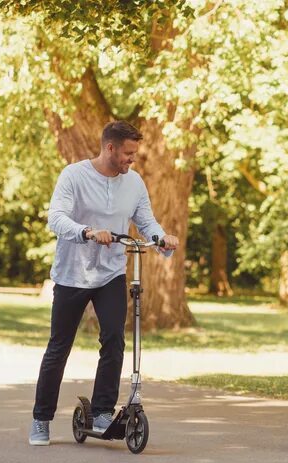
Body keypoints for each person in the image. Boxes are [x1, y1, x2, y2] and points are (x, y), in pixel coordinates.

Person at [29, 120, 179, 446]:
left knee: (114, 340)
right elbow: (56, 217)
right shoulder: (74, 175)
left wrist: (160, 237)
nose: (132, 160)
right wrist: (85, 231)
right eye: (128, 153)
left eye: (134, 154)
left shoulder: (134, 182)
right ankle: (41, 418)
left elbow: (146, 220)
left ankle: (101, 411)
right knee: (59, 347)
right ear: (110, 148)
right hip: (73, 274)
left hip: (111, 272)